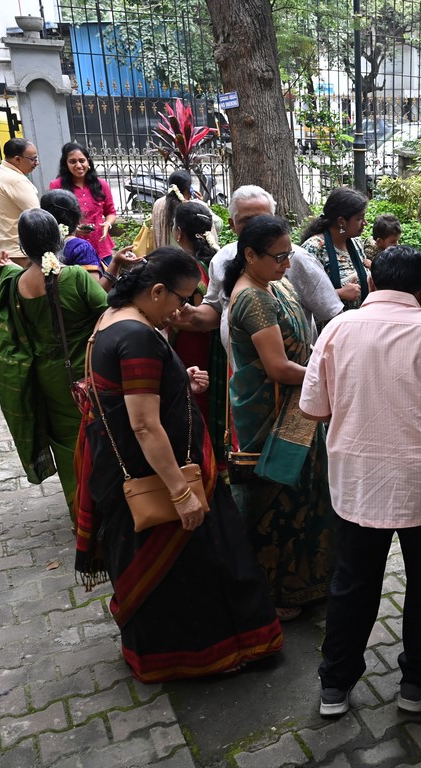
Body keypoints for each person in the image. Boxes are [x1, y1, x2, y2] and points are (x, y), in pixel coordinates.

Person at [73, 246, 282, 682]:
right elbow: (144, 425)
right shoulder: (138, 337)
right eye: (182, 299)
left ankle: (167, 654)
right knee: (197, 565)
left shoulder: (113, 317)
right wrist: (182, 493)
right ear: (156, 291)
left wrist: (177, 380)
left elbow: (128, 392)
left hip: (129, 467)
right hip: (160, 473)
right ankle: (204, 656)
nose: (183, 310)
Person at [300, 245, 421, 718]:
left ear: (371, 282)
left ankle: (335, 685)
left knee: (352, 584)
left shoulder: (337, 329)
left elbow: (313, 409)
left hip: (358, 485)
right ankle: (418, 681)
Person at [225, 215, 337, 622]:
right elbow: (277, 367)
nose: (287, 264)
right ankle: (278, 589)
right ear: (250, 255)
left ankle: (313, 578)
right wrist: (329, 377)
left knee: (310, 493)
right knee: (280, 500)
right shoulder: (253, 298)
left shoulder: (272, 283)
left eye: (289, 254)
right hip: (271, 414)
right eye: (278, 257)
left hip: (297, 404)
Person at [0, 209, 110, 521]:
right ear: (59, 239)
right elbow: (108, 311)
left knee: (68, 446)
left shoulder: (16, 285)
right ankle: (111, 508)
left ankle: (81, 516)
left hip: (49, 380)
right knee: (100, 437)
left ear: (23, 247)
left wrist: (5, 266)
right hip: (87, 374)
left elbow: (15, 276)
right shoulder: (76, 277)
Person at [176, 185, 342, 345]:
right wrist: (193, 314)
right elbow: (217, 310)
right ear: (232, 224)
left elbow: (333, 315)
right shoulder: (222, 259)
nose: (256, 227)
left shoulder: (297, 259)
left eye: (263, 219)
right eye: (246, 221)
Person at [168, 200, 226, 465]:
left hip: (192, 343)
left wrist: (169, 321)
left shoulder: (187, 268)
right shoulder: (218, 260)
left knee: (195, 399)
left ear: (179, 233)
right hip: (216, 342)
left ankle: (202, 462)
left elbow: (195, 315)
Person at [40, 189, 136, 291]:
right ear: (78, 218)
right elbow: (96, 291)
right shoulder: (81, 248)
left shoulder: (41, 243)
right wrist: (116, 263)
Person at [300, 188, 369, 312]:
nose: (365, 223)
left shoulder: (356, 244)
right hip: (330, 323)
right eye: (359, 219)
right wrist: (338, 293)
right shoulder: (314, 248)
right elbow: (302, 296)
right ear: (341, 221)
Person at [50, 142, 117, 262]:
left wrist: (107, 224)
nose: (78, 165)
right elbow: (52, 217)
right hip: (72, 248)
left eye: (82, 161)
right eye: (72, 162)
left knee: (107, 274)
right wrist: (73, 229)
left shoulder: (101, 185)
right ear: (66, 164)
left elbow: (111, 212)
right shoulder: (57, 186)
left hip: (101, 246)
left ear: (88, 161)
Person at [0, 138, 42, 266]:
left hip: (7, 250)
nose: (36, 163)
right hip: (21, 252)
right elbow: (38, 217)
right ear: (17, 159)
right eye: (33, 159)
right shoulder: (15, 180)